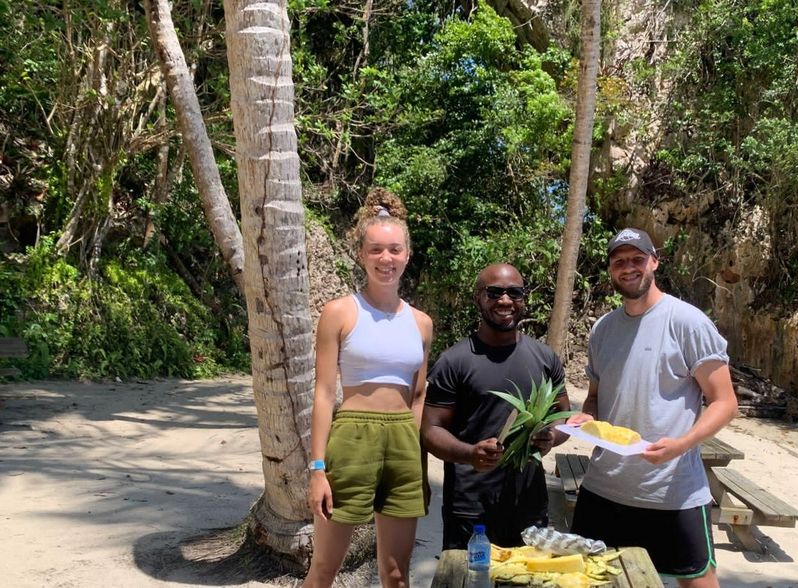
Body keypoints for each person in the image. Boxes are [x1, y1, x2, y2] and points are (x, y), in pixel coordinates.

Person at [567, 227, 739, 588]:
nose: (628, 268)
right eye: (619, 262)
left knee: (697, 581)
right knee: (590, 579)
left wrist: (681, 444)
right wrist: (588, 418)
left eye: (637, 259)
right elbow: (597, 397)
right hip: (603, 489)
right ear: (611, 271)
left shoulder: (688, 322)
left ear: (654, 263)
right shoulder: (602, 329)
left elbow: (725, 402)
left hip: (670, 492)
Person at [303, 188, 433, 588]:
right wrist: (317, 470)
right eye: (376, 250)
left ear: (407, 255)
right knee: (324, 570)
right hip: (351, 438)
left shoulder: (421, 323)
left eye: (394, 250)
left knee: (396, 575)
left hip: (403, 446)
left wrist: (416, 461)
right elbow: (325, 394)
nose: (386, 259)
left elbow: (418, 395)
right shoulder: (340, 313)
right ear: (361, 254)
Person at [422, 263, 570, 549]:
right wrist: (469, 453)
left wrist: (551, 436)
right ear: (478, 297)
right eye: (494, 292)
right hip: (470, 508)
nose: (505, 300)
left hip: (529, 505)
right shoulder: (454, 361)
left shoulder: (544, 358)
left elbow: (563, 417)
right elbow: (430, 429)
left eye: (514, 292)